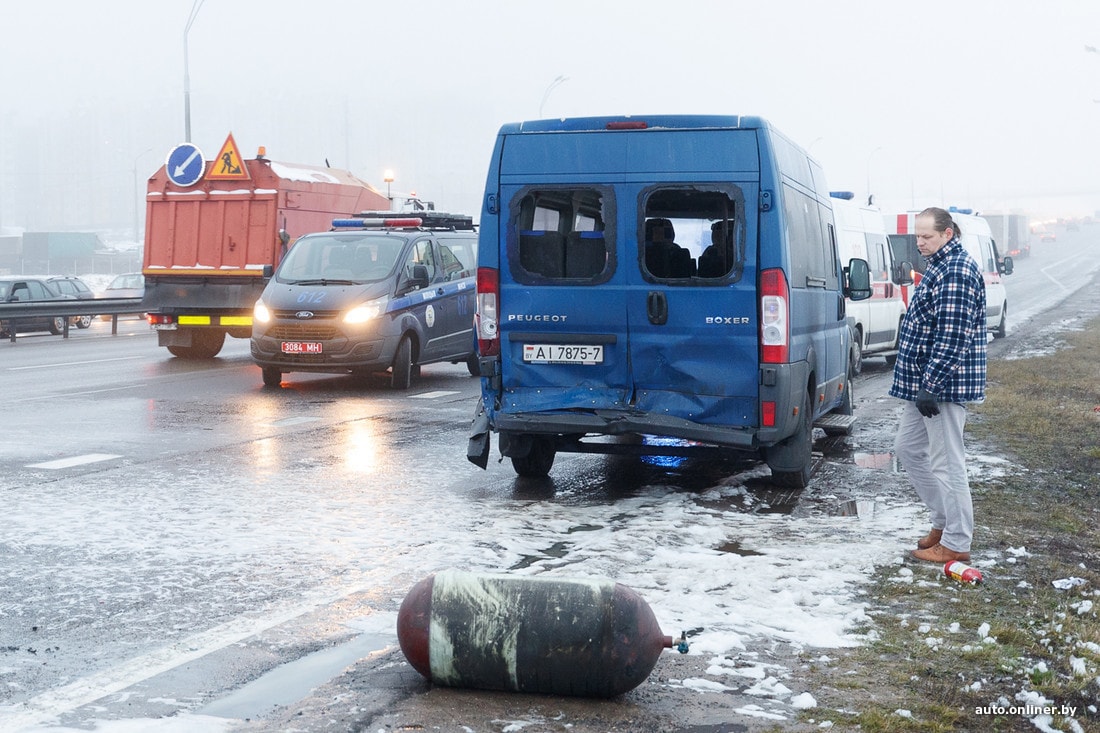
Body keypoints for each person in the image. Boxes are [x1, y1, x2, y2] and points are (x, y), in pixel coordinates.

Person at [889, 207, 987, 563]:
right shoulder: (940, 266)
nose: (920, 243)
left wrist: (931, 384)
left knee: (947, 463)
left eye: (927, 236)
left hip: (943, 386)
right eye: (918, 236)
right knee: (909, 449)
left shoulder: (957, 270)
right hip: (925, 385)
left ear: (948, 234)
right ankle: (943, 523)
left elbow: (951, 337)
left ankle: (958, 543)